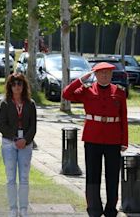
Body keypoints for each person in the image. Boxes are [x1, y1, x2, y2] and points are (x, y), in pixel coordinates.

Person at [62, 62, 128, 217]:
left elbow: (123, 118)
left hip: (113, 139)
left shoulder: (119, 92)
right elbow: (66, 94)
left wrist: (124, 141)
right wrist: (80, 80)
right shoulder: (87, 90)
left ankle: (111, 209)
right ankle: (94, 208)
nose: (104, 75)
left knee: (112, 175)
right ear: (95, 74)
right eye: (101, 73)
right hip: (92, 138)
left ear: (111, 75)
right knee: (92, 174)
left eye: (108, 73)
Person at [0, 73, 37, 217]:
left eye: (19, 83)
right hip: (9, 143)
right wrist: (15, 139)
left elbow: (33, 126)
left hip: (26, 143)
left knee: (24, 178)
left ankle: (24, 209)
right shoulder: (5, 103)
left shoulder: (30, 103)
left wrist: (25, 140)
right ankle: (13, 208)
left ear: (23, 85)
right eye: (13, 84)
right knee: (11, 178)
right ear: (9, 86)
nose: (16, 86)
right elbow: (1, 125)